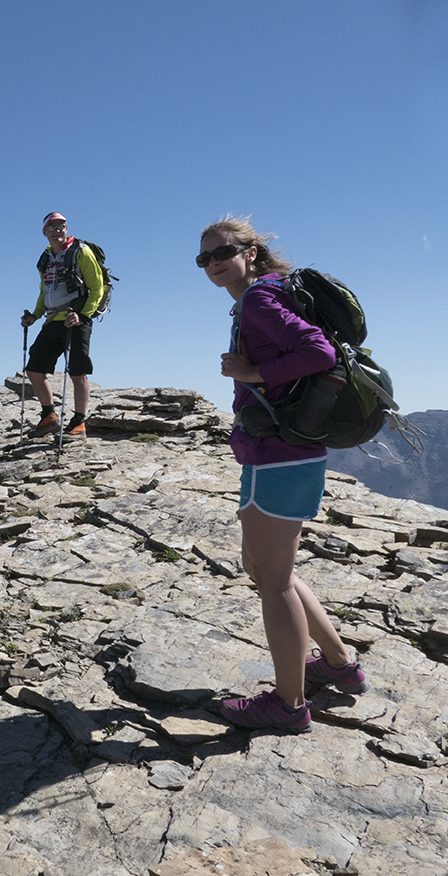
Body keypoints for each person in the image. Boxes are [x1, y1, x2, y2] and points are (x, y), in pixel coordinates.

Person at [200, 215, 370, 734]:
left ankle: (289, 706)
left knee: (272, 582)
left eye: (222, 252)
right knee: (266, 568)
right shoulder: (260, 296)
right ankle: (340, 666)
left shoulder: (257, 298)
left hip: (283, 452)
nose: (213, 263)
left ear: (250, 252)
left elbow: (317, 351)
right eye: (204, 258)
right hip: (275, 449)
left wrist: (252, 372)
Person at [21, 212, 104, 439]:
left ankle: (78, 422)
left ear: (66, 229)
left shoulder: (81, 252)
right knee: (34, 369)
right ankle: (49, 416)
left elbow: (97, 288)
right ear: (45, 232)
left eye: (62, 225)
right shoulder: (45, 258)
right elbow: (44, 291)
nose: (58, 229)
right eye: (53, 226)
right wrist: (35, 316)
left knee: (78, 371)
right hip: (52, 320)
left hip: (76, 319)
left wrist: (83, 315)